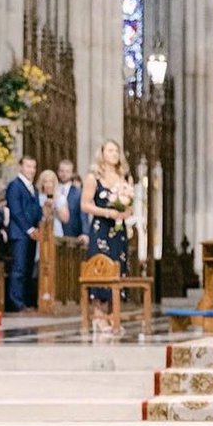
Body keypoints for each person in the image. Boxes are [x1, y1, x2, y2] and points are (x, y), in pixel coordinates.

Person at [81, 139, 133, 328]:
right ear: (102, 153)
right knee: (100, 268)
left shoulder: (125, 177)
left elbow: (131, 205)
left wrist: (125, 212)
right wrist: (107, 212)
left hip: (118, 230)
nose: (113, 154)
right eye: (110, 150)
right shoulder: (93, 177)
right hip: (101, 229)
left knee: (118, 267)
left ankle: (113, 314)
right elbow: (85, 204)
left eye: (116, 151)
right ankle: (98, 315)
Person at [5, 155, 42, 311]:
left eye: (33, 167)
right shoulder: (15, 186)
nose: (31, 170)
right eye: (28, 166)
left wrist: (39, 223)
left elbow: (36, 210)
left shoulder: (33, 188)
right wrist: (30, 229)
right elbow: (16, 211)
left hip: (31, 234)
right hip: (20, 234)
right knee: (19, 268)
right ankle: (15, 302)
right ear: (21, 167)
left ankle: (25, 301)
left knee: (27, 268)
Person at [55, 158, 88, 241]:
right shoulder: (53, 189)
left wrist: (85, 233)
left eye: (67, 171)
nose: (64, 174)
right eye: (62, 171)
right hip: (54, 231)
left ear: (72, 173)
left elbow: (83, 214)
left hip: (72, 233)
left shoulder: (78, 192)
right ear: (58, 172)